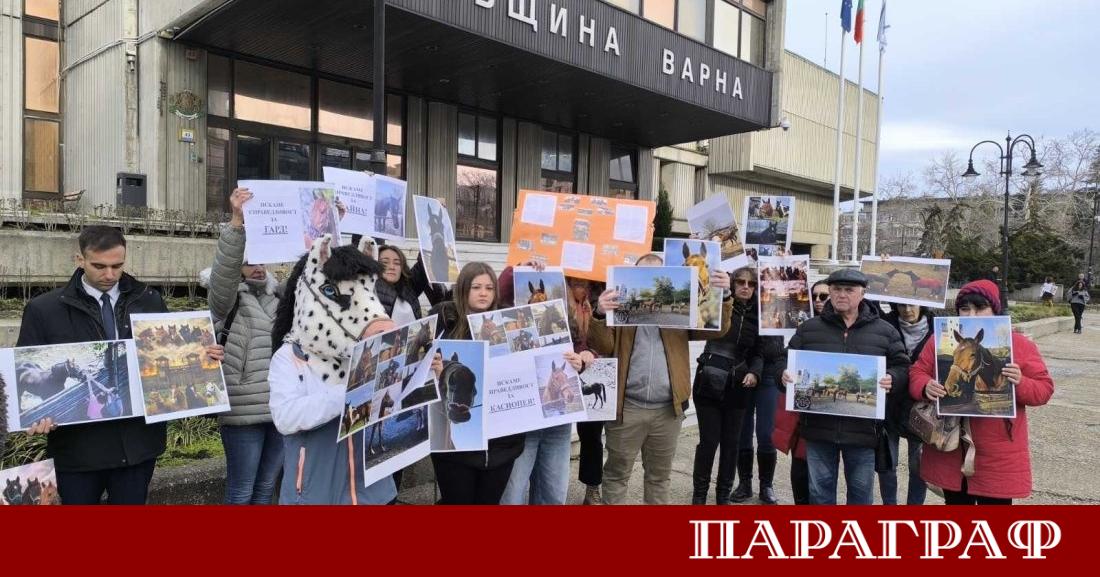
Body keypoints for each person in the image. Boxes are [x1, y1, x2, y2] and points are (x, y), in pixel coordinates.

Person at [18, 226, 223, 505]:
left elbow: (170, 352)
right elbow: (28, 373)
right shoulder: (44, 309)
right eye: (99, 266)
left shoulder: (149, 299)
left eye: (117, 266)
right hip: (77, 449)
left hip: (136, 445)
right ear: (79, 259)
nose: (110, 275)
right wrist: (37, 416)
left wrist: (203, 355)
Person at [590, 253, 733, 505]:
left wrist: (724, 295)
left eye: (656, 275)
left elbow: (716, 330)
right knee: (616, 475)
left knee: (659, 478)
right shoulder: (620, 308)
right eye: (642, 275)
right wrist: (600, 314)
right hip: (627, 408)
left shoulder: (680, 306)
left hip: (668, 411)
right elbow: (602, 345)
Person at [268, 236, 397, 505]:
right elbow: (286, 417)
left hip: (371, 493)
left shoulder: (365, 355)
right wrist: (350, 392)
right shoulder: (289, 357)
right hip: (315, 495)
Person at [910, 280, 1054, 504]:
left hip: (997, 453)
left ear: (994, 310)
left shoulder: (1019, 344)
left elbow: (1044, 389)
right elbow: (917, 372)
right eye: (965, 309)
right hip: (950, 446)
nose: (971, 315)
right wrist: (925, 385)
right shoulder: (937, 340)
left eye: (980, 308)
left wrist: (1020, 382)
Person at [781, 269, 910, 505]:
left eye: (849, 290)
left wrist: (893, 378)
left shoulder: (885, 331)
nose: (842, 294)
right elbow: (784, 361)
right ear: (830, 292)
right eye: (837, 289)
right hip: (818, 430)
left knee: (861, 496)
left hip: (863, 432)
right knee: (820, 495)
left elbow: (903, 366)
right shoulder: (809, 329)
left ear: (862, 293)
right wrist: (783, 375)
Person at [204, 187, 284, 505]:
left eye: (261, 260)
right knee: (241, 492)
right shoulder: (227, 300)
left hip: (280, 407)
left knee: (265, 490)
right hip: (243, 412)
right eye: (249, 262)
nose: (257, 267)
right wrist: (236, 223)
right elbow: (223, 272)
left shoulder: (280, 297)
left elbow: (315, 275)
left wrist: (331, 225)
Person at [427, 262, 526, 504]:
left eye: (489, 288)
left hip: (502, 446)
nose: (483, 293)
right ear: (463, 289)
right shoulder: (444, 322)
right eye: (476, 287)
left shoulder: (507, 324)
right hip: (456, 450)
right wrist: (430, 366)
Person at [495, 263, 592, 505]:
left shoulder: (565, 321)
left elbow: (581, 350)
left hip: (557, 421)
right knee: (513, 494)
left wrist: (583, 359)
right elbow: (501, 289)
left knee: (553, 493)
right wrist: (520, 266)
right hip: (523, 422)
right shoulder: (511, 322)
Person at [358, 238, 448, 494]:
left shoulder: (408, 290)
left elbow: (424, 265)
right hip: (380, 376)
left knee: (399, 453)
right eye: (384, 261)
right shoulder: (368, 292)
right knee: (377, 443)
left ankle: (392, 494)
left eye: (397, 262)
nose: (391, 266)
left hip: (409, 374)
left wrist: (431, 234)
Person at [691, 267, 760, 505]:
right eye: (740, 281)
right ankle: (699, 497)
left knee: (732, 444)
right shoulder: (717, 302)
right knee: (709, 442)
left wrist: (754, 372)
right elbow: (701, 326)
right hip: (709, 378)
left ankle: (723, 496)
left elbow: (760, 352)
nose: (745, 287)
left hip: (739, 384)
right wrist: (721, 296)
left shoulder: (759, 315)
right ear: (732, 283)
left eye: (751, 283)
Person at [879, 302, 933, 505]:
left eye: (912, 305)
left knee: (918, 465)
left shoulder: (938, 327)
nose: (907, 310)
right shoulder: (884, 325)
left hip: (922, 407)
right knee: (887, 463)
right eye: (902, 305)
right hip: (889, 404)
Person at [564, 276, 608, 505]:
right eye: (575, 282)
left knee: (591, 436)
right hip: (563, 367)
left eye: (584, 283)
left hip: (593, 369)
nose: (580, 286)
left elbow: (609, 337)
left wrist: (592, 352)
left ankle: (592, 487)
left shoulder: (603, 291)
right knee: (554, 436)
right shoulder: (555, 289)